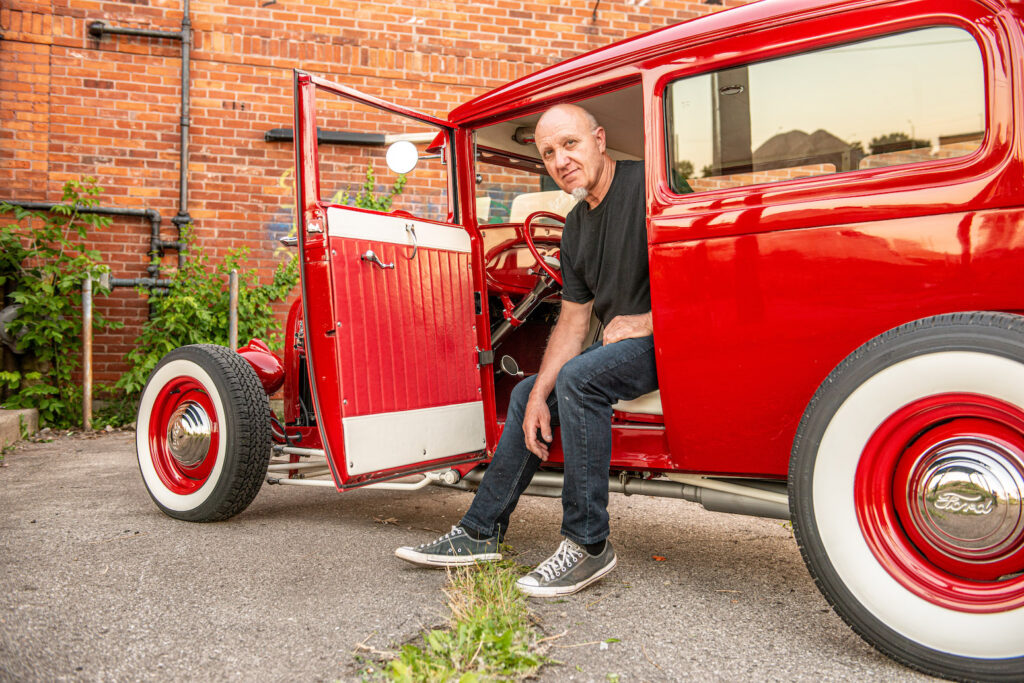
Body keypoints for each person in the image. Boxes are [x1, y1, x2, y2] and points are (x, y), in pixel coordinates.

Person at [395, 103, 657, 597]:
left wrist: (650, 320)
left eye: (571, 144)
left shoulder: (650, 187)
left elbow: (713, 268)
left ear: (599, 139)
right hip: (620, 347)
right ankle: (480, 531)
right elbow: (574, 323)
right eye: (549, 153)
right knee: (525, 395)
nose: (561, 160)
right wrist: (539, 392)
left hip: (674, 340)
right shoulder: (577, 224)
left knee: (579, 379)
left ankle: (588, 544)